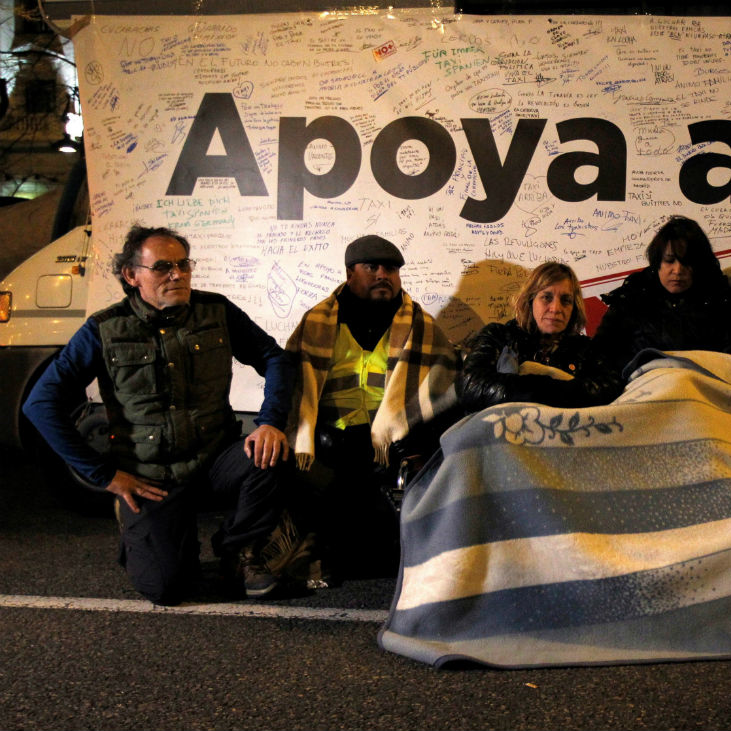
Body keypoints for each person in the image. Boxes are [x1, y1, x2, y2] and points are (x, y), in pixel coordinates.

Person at [22, 224, 292, 605]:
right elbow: (40, 403)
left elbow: (274, 357)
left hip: (214, 459)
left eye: (183, 264)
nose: (177, 275)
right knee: (165, 588)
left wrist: (270, 422)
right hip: (152, 476)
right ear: (132, 275)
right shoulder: (104, 330)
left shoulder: (216, 311)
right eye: (163, 267)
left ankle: (240, 551)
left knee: (270, 455)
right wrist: (104, 475)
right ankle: (149, 535)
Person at [283, 234, 459, 580]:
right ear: (350, 274)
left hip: (389, 443)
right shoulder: (317, 322)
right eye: (372, 267)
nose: (383, 275)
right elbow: (291, 385)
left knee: (377, 548)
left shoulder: (420, 326)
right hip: (330, 439)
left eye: (391, 269)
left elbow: (443, 388)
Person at [456, 261, 622, 412]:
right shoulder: (498, 336)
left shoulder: (586, 349)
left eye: (566, 300)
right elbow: (471, 386)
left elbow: (609, 390)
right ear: (530, 300)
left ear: (574, 308)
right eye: (546, 298)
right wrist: (550, 385)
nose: (555, 308)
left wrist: (532, 385)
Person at [593, 215, 731, 374]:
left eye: (687, 262)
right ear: (657, 261)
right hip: (643, 384)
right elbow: (602, 351)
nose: (677, 270)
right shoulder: (631, 297)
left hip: (703, 385)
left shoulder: (721, 299)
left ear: (700, 266)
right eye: (669, 260)